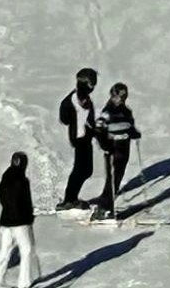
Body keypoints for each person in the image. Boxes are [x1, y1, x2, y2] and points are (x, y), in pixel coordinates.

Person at [0, 151, 41, 288]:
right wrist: (28, 217)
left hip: (6, 222)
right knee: (27, 250)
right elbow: (23, 202)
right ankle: (25, 286)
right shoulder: (22, 181)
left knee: (5, 251)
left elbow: (6, 202)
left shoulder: (5, 179)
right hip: (20, 222)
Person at [92, 83, 141, 219]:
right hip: (112, 146)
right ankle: (104, 208)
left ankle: (108, 204)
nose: (121, 99)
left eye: (124, 96)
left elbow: (130, 126)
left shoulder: (126, 111)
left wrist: (134, 133)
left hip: (124, 146)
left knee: (118, 176)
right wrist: (105, 145)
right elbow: (98, 129)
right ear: (113, 96)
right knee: (112, 177)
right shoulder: (108, 112)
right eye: (118, 96)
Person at [57, 68, 100, 210]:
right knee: (80, 170)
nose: (93, 88)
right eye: (91, 85)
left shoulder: (87, 100)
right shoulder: (70, 101)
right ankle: (69, 200)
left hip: (86, 138)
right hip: (78, 138)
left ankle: (71, 198)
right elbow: (64, 119)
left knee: (87, 170)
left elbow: (90, 119)